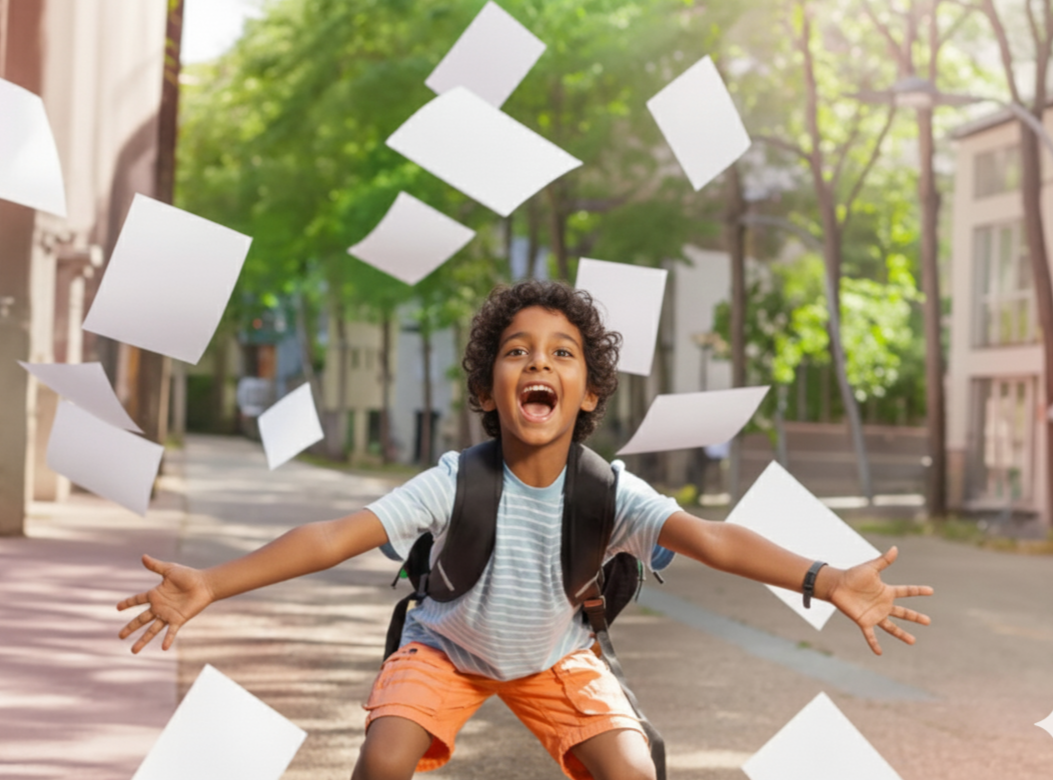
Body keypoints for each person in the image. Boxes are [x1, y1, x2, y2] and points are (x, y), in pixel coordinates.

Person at [117, 280, 933, 780]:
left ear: (586, 393)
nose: (538, 364)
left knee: (630, 769)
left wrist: (826, 581)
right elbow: (337, 534)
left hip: (556, 656)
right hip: (446, 649)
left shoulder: (611, 493)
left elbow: (713, 538)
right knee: (385, 756)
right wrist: (213, 583)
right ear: (487, 388)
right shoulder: (454, 481)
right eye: (516, 352)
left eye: (561, 354)